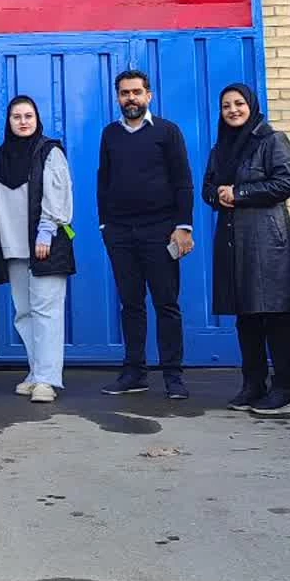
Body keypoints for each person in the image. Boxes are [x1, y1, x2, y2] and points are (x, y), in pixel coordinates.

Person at [202, 83, 290, 417]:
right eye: (226, 106)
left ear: (251, 106)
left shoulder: (272, 140)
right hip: (233, 240)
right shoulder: (220, 149)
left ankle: (287, 391)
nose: (233, 110)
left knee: (274, 314)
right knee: (245, 315)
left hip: (267, 242)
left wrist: (240, 193)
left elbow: (284, 183)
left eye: (238, 104)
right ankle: (253, 385)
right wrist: (217, 194)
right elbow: (207, 188)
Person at [97, 69, 195, 400]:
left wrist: (183, 226)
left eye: (136, 92)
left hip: (160, 232)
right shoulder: (110, 134)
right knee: (131, 305)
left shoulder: (167, 131)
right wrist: (105, 226)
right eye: (124, 93)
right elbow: (103, 180)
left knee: (166, 304)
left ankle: (173, 377)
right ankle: (134, 373)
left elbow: (183, 181)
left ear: (148, 96)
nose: (131, 98)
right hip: (120, 233)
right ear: (118, 97)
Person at [0, 96, 75, 405]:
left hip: (44, 245)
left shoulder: (50, 152)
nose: (23, 122)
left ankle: (48, 380)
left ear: (37, 119)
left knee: (47, 312)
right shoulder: (0, 156)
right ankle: (36, 371)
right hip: (13, 246)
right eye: (16, 116)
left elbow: (59, 196)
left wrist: (46, 232)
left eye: (28, 116)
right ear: (8, 121)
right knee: (24, 313)